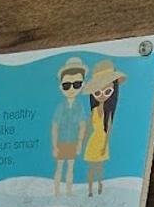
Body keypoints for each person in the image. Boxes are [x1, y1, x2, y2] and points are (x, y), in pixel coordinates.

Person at [82, 58, 128, 197]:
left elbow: (109, 130)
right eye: (97, 92)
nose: (102, 95)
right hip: (93, 141)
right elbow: (89, 127)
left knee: (99, 168)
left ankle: (100, 185)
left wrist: (105, 145)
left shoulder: (109, 113)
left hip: (102, 141)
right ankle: (90, 190)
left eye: (107, 91)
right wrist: (83, 140)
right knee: (91, 168)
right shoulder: (94, 111)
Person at [50, 55, 89, 195]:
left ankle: (68, 192)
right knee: (59, 167)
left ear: (82, 84)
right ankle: (56, 193)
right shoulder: (61, 107)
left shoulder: (79, 107)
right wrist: (54, 146)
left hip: (72, 141)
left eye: (76, 84)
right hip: (61, 142)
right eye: (67, 85)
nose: (72, 89)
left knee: (71, 167)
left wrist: (79, 143)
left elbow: (82, 125)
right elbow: (55, 126)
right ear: (61, 87)